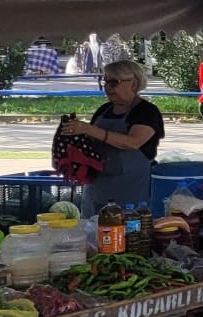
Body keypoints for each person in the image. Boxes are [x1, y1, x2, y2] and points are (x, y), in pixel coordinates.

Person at [61, 59, 163, 215]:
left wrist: (89, 129)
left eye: (114, 82)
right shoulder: (104, 110)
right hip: (96, 191)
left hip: (131, 195)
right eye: (105, 82)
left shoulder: (146, 111)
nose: (107, 87)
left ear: (133, 84)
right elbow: (91, 142)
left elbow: (133, 143)